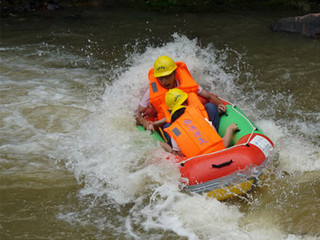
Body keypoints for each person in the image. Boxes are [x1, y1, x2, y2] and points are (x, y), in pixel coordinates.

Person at [135, 56, 226, 139]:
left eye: (167, 77)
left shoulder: (186, 83)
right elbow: (137, 113)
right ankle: (179, 151)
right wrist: (144, 122)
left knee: (211, 107)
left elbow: (208, 97)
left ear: (175, 73)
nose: (164, 81)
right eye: (161, 78)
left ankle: (214, 137)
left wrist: (220, 104)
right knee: (167, 126)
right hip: (174, 125)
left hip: (194, 117)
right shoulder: (151, 91)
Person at [160, 89, 238, 157]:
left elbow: (180, 154)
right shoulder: (201, 119)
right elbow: (224, 144)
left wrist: (169, 149)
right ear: (186, 103)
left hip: (198, 165)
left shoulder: (175, 130)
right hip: (217, 154)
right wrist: (230, 129)